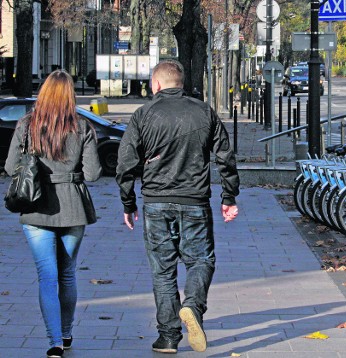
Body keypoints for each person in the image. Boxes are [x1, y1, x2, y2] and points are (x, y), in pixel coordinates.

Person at [115, 60, 240, 354]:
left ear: (156, 84)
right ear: (181, 83)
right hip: (195, 201)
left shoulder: (143, 114)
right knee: (201, 260)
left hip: (155, 203)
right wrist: (229, 197)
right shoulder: (204, 111)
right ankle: (193, 306)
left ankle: (169, 337)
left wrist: (128, 201)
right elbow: (225, 156)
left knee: (163, 270)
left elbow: (125, 164)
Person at [4, 70, 102, 358]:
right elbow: (94, 174)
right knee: (68, 274)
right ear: (70, 95)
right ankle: (68, 332)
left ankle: (55, 341)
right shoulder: (82, 127)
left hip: (35, 207)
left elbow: (11, 168)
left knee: (47, 276)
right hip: (73, 206)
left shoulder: (27, 125)